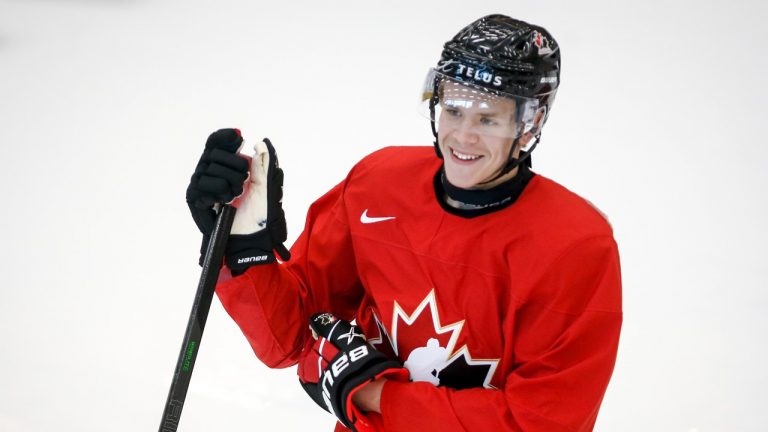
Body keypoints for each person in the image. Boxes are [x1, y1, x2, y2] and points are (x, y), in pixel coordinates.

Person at [186, 14, 622, 432]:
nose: (463, 136)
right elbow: (290, 339)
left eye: (488, 118)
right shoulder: (378, 185)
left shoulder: (574, 246)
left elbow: (541, 423)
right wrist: (245, 250)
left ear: (530, 123)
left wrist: (375, 395)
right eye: (454, 110)